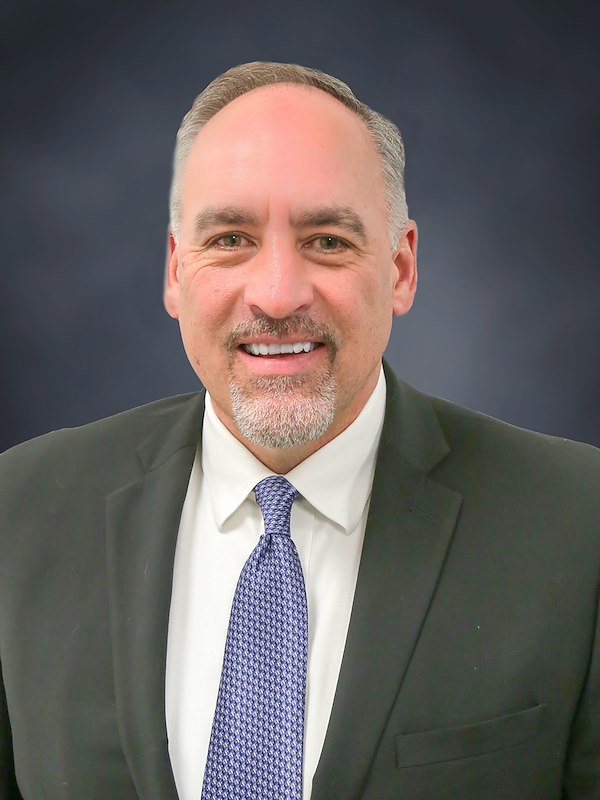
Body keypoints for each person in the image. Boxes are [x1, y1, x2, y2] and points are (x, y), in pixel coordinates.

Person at [0, 61, 599, 800]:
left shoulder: (580, 525)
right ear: (176, 271)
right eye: (230, 238)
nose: (278, 294)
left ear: (401, 268)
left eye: (327, 240)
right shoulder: (19, 510)